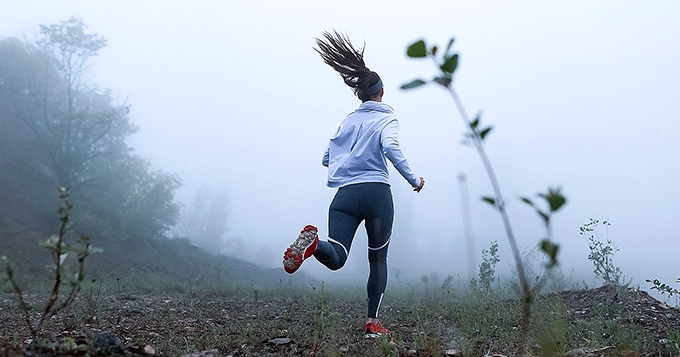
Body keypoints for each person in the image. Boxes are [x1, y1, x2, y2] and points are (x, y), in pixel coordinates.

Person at [282, 30, 424, 337]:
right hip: (376, 195)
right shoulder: (387, 119)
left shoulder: (347, 121)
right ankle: (372, 321)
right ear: (382, 92)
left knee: (337, 257)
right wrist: (414, 179)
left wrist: (350, 158)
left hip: (344, 196)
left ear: (360, 95)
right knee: (378, 258)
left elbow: (326, 157)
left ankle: (313, 244)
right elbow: (391, 148)